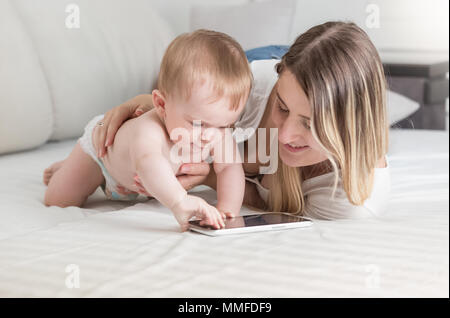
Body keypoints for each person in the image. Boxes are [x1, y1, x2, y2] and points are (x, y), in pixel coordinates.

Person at [46, 21, 390, 221]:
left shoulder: (350, 201)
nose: (284, 133)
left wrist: (223, 206)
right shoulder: (245, 89)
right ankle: (82, 161)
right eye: (282, 107)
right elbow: (180, 102)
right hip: (259, 63)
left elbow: (237, 177)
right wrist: (136, 106)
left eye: (311, 123)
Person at [44, 30, 253, 231]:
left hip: (142, 183)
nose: (210, 136)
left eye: (224, 125)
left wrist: (228, 210)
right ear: (161, 105)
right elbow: (148, 163)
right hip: (103, 156)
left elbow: (229, 169)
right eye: (198, 124)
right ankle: (69, 165)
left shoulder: (216, 133)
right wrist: (179, 201)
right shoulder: (148, 130)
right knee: (58, 200)